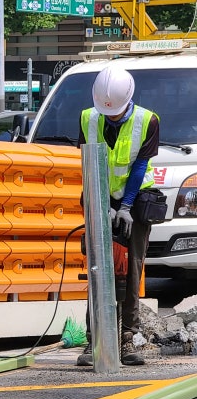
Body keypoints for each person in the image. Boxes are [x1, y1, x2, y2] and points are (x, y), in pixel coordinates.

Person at [76, 65, 160, 367]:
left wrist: (124, 207)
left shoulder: (147, 121)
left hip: (135, 200)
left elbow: (138, 167)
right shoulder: (89, 117)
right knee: (100, 269)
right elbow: (89, 160)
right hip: (99, 196)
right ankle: (94, 339)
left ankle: (127, 338)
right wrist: (102, 203)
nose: (110, 116)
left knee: (131, 269)